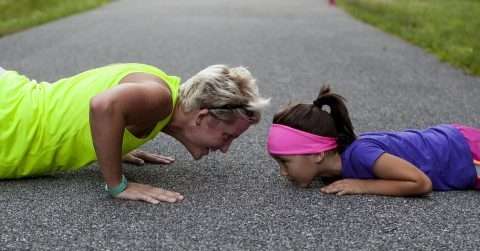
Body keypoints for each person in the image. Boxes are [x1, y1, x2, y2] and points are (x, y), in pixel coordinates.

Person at [0, 63, 270, 204]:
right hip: (10, 121)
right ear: (202, 117)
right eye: (228, 136)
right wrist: (118, 184)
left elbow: (96, 105)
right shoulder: (160, 98)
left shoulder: (161, 95)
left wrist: (112, 144)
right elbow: (103, 105)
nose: (225, 149)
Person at [266, 85, 480, 197]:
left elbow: (420, 183)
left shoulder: (361, 154)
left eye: (285, 162)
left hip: (466, 152)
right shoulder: (334, 170)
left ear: (318, 153)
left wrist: (362, 186)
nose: (283, 172)